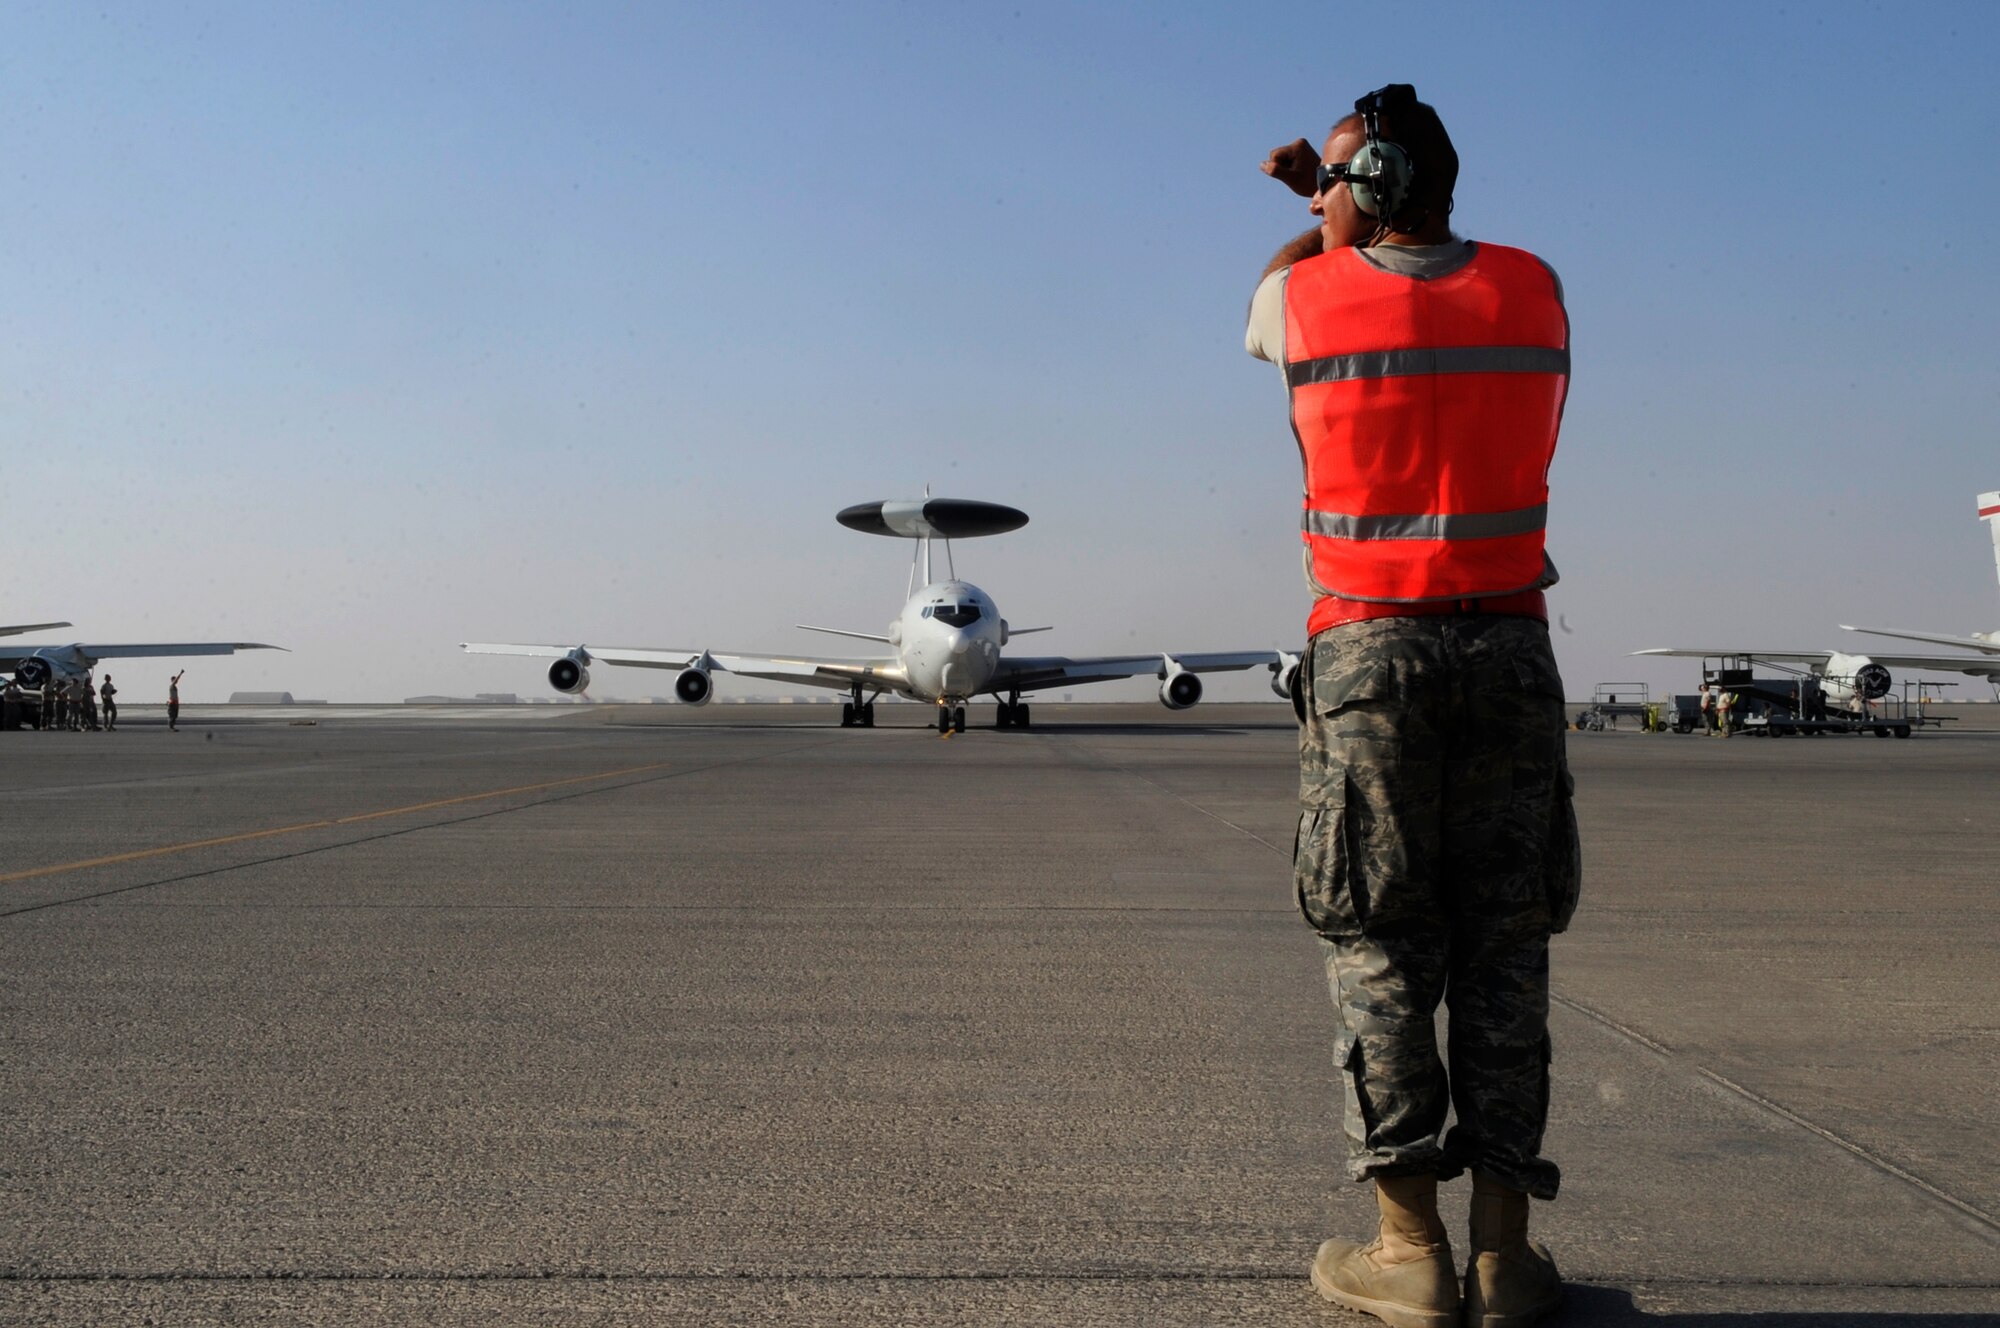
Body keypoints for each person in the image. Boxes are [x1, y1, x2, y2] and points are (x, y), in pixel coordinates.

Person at [1249, 85, 1575, 1328]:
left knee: (1379, 941)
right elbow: (1425, 279)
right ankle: (1502, 1256)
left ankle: (1405, 1249)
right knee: (1504, 944)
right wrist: (1350, 192)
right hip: (1509, 648)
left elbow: (1281, 295)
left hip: (1368, 651)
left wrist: (1309, 209)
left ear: (1366, 186)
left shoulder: (1305, 290)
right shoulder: (1533, 286)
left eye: (1338, 177)